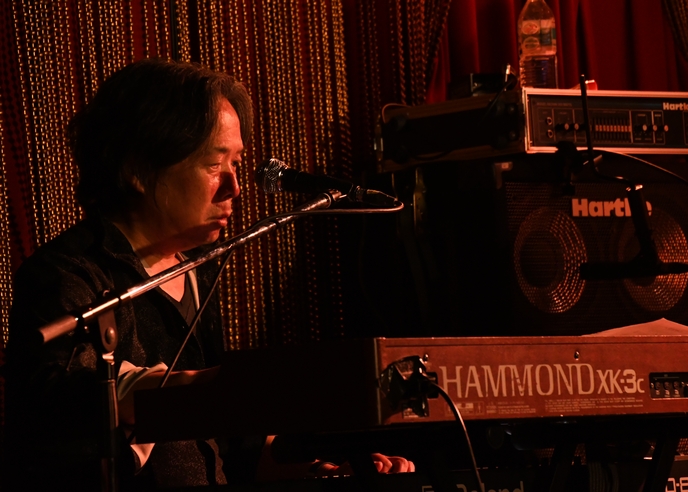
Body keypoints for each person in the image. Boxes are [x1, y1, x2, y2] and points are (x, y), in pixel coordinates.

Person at [4, 58, 412, 490]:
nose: (234, 187)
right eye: (215, 165)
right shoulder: (69, 274)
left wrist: (323, 470)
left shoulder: (200, 268)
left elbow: (231, 446)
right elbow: (58, 411)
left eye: (237, 163)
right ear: (138, 170)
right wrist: (215, 389)